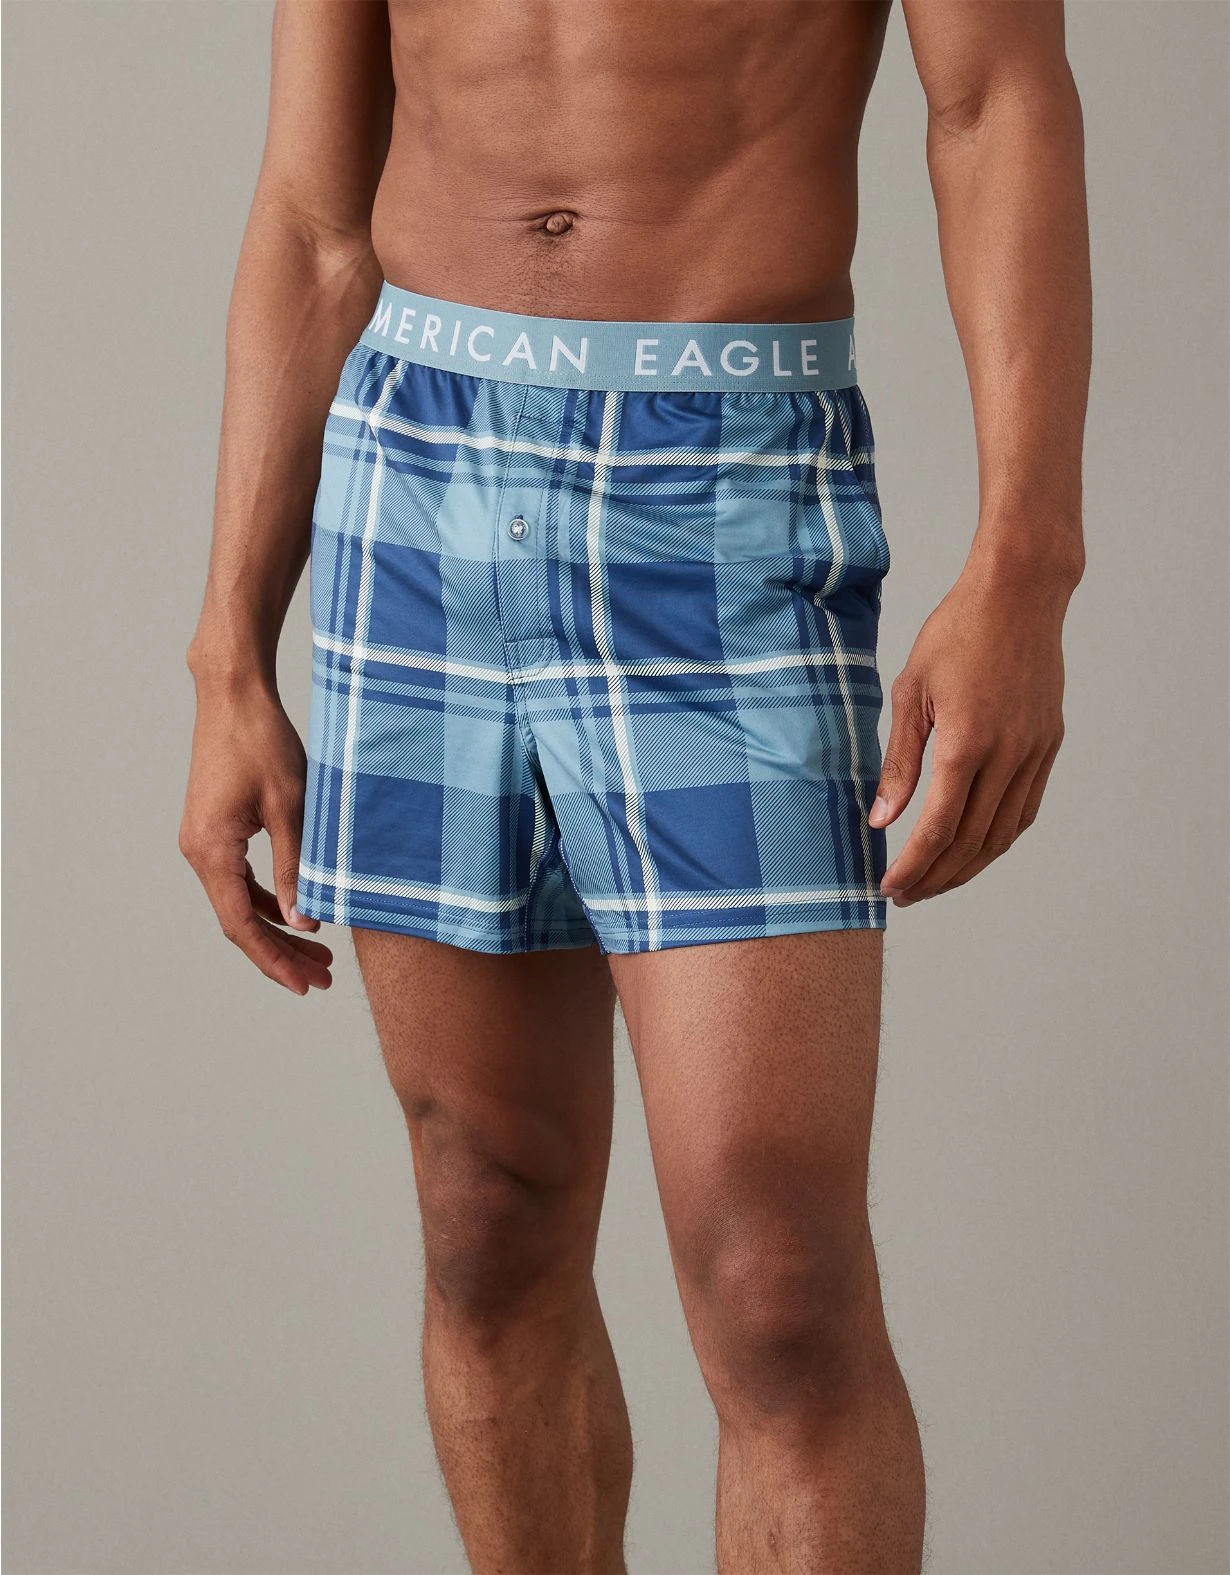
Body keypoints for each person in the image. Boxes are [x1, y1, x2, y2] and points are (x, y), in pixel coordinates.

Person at [180, 1, 1089, 1568]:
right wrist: (227, 658)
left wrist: (1025, 562)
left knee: (776, 1275)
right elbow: (315, 217)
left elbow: (993, 104)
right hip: (417, 470)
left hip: (725, 481)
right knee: (485, 1208)